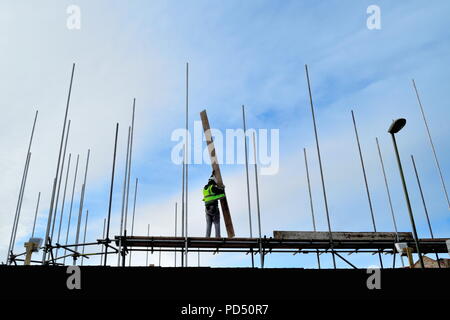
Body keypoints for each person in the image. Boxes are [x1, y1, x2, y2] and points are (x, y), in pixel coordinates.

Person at [202, 171, 225, 237]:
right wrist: (222, 188)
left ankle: (207, 238)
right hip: (214, 208)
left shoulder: (205, 188)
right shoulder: (213, 187)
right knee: (216, 222)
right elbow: (220, 192)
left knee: (208, 225)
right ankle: (217, 237)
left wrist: (213, 174)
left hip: (207, 209)